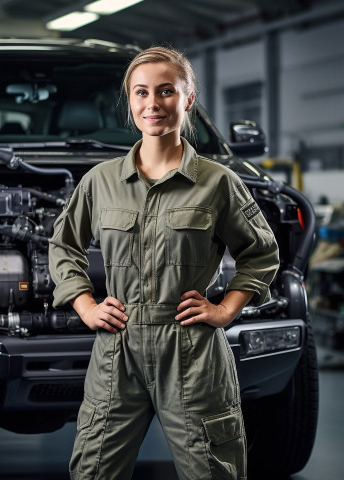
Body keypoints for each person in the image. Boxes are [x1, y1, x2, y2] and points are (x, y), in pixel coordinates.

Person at [49, 46, 279, 480]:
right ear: (130, 101)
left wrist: (227, 308)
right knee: (94, 470)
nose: (153, 104)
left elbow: (261, 251)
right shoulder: (100, 182)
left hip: (191, 349)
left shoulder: (217, 182)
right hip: (118, 349)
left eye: (166, 91)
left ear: (188, 99)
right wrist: (85, 305)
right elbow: (63, 246)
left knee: (213, 470)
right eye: (141, 93)